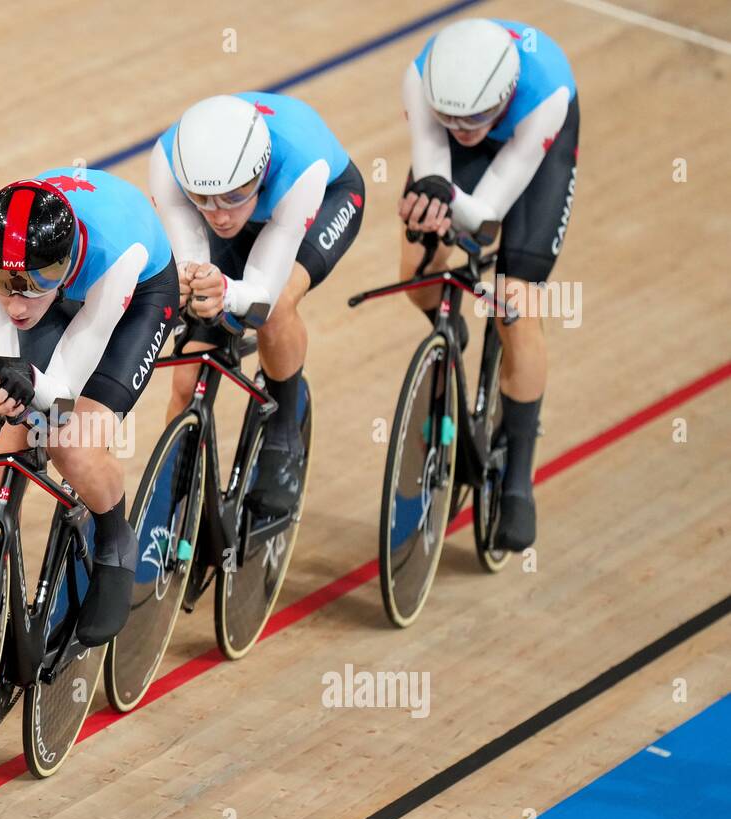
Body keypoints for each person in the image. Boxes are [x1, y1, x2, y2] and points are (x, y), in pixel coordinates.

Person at [0, 172, 177, 646]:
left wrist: (28, 386)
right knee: (4, 451)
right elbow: (3, 366)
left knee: (69, 444)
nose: (15, 305)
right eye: (3, 284)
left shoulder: (115, 255)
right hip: (62, 293)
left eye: (34, 283)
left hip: (133, 299)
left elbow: (59, 401)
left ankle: (115, 538)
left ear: (65, 261)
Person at [399, 17, 578, 550]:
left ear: (502, 93)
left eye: (475, 115)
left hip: (532, 154)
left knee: (515, 303)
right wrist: (427, 209)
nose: (462, 126)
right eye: (450, 115)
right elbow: (434, 172)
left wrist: (455, 215)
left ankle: (519, 476)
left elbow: (488, 212)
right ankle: (449, 337)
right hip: (469, 155)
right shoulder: (420, 79)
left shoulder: (546, 93)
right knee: (416, 276)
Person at [149, 92, 363, 517]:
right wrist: (200, 286)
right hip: (258, 216)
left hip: (320, 205)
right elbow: (193, 261)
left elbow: (261, 293)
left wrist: (229, 293)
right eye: (204, 199)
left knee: (277, 306)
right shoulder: (168, 162)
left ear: (261, 172)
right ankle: (170, 495)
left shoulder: (300, 167)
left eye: (235, 195)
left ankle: (283, 435)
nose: (220, 215)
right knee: (189, 367)